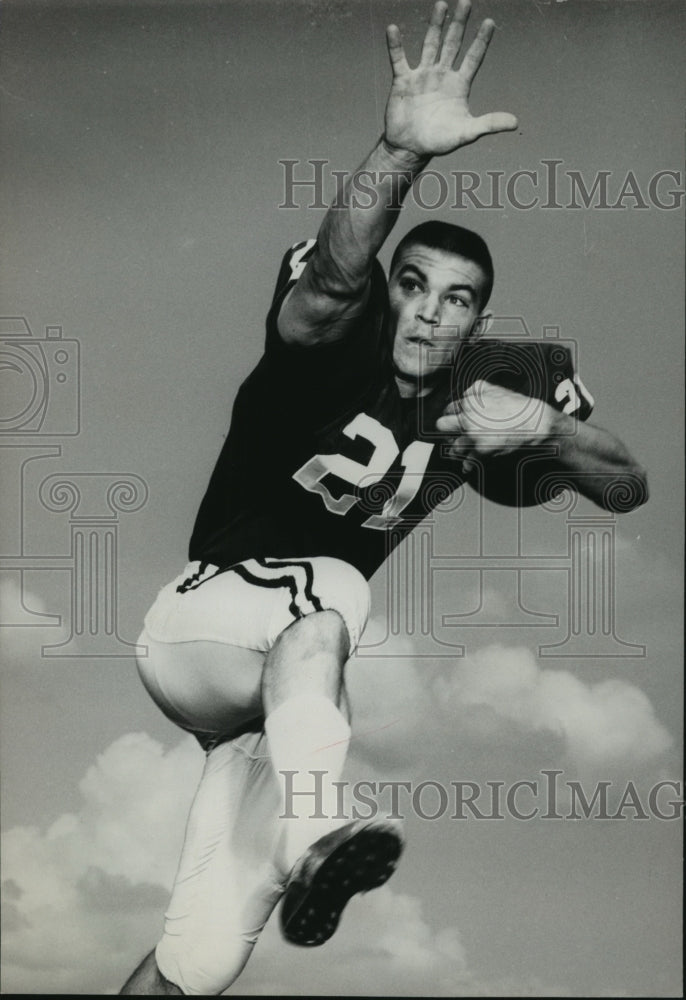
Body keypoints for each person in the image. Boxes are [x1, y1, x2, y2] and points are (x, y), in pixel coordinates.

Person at [121, 1, 648, 994]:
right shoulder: (334, 339)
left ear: (476, 322)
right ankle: (316, 827)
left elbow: (627, 487)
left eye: (456, 299)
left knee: (194, 963)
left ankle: (289, 848)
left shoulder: (497, 386)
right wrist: (398, 153)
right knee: (333, 599)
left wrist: (547, 430)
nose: (427, 310)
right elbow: (328, 275)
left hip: (261, 707)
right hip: (197, 622)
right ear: (389, 287)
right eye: (412, 283)